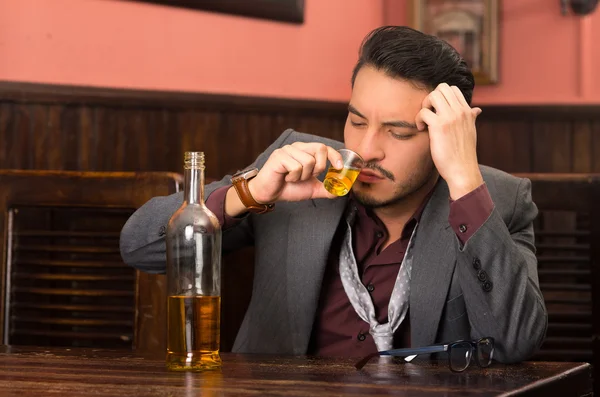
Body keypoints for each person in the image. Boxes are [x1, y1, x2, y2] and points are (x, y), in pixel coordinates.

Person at [120, 26, 547, 363]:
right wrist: (247, 194)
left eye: (398, 132)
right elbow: (138, 247)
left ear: (445, 134)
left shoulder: (497, 200)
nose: (366, 149)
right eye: (357, 121)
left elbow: (514, 342)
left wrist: (464, 181)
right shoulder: (297, 170)